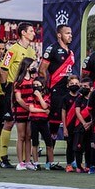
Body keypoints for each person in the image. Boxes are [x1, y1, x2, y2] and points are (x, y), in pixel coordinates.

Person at [0, 22, 37, 168]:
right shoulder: (12, 49)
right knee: (9, 122)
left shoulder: (32, 52)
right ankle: (2, 157)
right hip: (13, 88)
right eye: (31, 31)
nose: (34, 33)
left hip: (28, 89)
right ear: (23, 33)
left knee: (27, 126)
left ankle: (25, 161)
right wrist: (6, 88)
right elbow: (3, 70)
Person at [39, 24, 75, 157]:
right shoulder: (52, 48)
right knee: (53, 125)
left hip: (68, 92)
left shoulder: (71, 52)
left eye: (71, 33)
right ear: (59, 35)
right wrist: (46, 87)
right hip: (55, 92)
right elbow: (42, 69)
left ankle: (71, 158)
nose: (70, 35)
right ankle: (50, 157)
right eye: (67, 33)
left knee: (69, 122)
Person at [12, 58, 37, 170]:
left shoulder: (33, 80)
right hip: (21, 111)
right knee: (21, 136)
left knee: (28, 137)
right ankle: (20, 162)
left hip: (30, 112)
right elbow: (18, 99)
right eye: (33, 65)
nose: (35, 67)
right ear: (27, 67)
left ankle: (28, 161)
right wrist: (28, 108)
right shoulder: (18, 81)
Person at [29, 76, 53, 169]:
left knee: (49, 143)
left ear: (42, 86)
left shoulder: (47, 95)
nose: (35, 86)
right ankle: (36, 163)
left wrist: (39, 96)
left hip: (43, 122)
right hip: (34, 121)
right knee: (35, 143)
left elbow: (45, 106)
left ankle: (50, 163)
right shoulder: (31, 96)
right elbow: (31, 109)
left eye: (37, 85)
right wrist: (43, 111)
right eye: (34, 85)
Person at [60, 75, 81, 172]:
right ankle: (69, 164)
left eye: (76, 83)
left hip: (79, 126)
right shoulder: (65, 98)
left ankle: (78, 163)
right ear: (68, 85)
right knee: (70, 145)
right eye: (72, 84)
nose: (74, 85)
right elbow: (63, 113)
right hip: (69, 125)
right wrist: (64, 128)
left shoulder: (81, 97)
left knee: (78, 145)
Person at [73, 77, 93, 173]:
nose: (83, 88)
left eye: (85, 86)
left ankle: (88, 165)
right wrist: (84, 123)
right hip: (80, 126)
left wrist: (90, 123)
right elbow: (77, 112)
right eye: (81, 86)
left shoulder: (94, 98)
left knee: (89, 147)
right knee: (79, 147)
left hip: (91, 127)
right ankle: (78, 165)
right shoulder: (79, 99)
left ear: (91, 88)